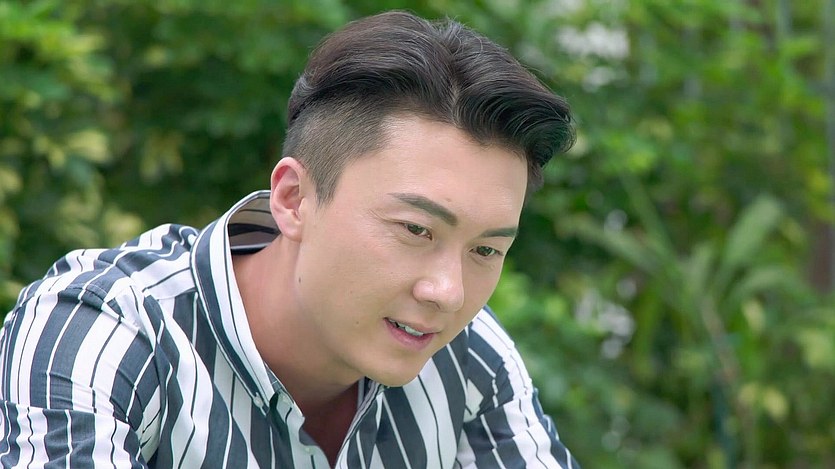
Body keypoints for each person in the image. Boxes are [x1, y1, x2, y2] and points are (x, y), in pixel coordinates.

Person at [0, 10, 579, 469]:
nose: (448, 293)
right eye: (415, 229)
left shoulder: (469, 356)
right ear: (294, 199)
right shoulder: (105, 330)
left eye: (486, 250)